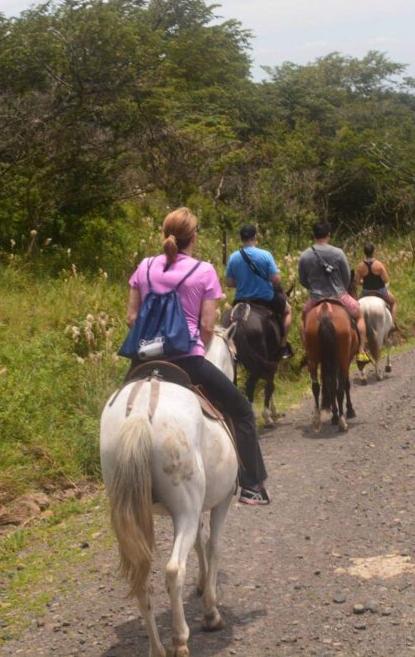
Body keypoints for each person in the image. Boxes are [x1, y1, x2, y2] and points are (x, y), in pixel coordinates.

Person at [126, 208, 270, 506]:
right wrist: (195, 348)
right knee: (242, 409)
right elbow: (206, 326)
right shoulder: (203, 271)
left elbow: (131, 318)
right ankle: (252, 485)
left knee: (119, 409)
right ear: (194, 237)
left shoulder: (145, 267)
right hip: (187, 361)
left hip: (143, 361)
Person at [225, 224, 294, 359]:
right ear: (255, 237)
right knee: (288, 310)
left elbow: (229, 282)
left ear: (241, 238)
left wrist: (243, 282)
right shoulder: (265, 255)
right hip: (265, 299)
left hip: (241, 300)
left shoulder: (233, 257)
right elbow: (276, 281)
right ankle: (283, 346)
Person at [298, 221, 366, 353]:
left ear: (314, 235)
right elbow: (346, 277)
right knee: (359, 315)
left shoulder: (305, 255)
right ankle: (362, 350)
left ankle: (307, 349)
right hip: (339, 296)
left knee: (303, 318)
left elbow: (302, 280)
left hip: (316, 298)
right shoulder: (338, 252)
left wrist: (313, 288)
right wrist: (341, 288)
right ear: (329, 235)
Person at [355, 242, 398, 323]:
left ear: (364, 252)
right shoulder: (379, 265)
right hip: (380, 290)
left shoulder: (360, 266)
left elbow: (357, 281)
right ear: (373, 252)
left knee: (356, 306)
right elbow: (386, 280)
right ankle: (392, 323)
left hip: (366, 291)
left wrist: (363, 282)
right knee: (393, 302)